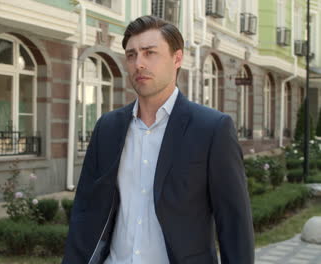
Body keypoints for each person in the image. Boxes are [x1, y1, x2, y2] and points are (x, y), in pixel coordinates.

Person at [62, 15, 254, 264]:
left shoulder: (212, 129)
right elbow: (85, 212)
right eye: (131, 55)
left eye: (149, 53)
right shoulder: (108, 128)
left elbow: (234, 223)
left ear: (177, 58)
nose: (138, 63)